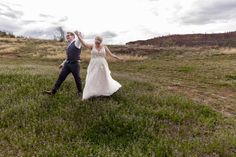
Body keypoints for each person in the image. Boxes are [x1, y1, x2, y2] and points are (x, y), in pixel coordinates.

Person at [75, 31, 122, 100]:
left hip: (102, 64)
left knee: (103, 78)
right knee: (92, 77)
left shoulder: (104, 46)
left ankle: (103, 91)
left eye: (99, 41)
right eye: (96, 41)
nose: (97, 42)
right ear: (94, 40)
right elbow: (84, 44)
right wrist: (79, 36)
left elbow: (111, 54)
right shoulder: (92, 45)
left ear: (101, 41)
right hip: (93, 64)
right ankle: (91, 93)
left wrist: (118, 58)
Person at [44, 31, 83, 96]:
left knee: (77, 78)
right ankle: (53, 92)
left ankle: (80, 92)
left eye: (69, 35)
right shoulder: (69, 45)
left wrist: (78, 34)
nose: (67, 36)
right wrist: (63, 63)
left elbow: (80, 38)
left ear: (73, 36)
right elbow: (68, 57)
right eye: (66, 35)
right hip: (67, 64)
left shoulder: (77, 43)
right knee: (61, 77)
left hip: (75, 64)